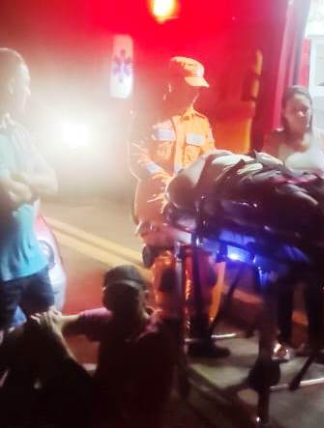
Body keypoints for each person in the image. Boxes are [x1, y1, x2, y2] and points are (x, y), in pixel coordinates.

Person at [129, 56, 227, 358]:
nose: (194, 92)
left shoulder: (201, 123)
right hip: (157, 209)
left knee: (203, 271)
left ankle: (200, 335)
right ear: (171, 83)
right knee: (168, 274)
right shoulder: (148, 118)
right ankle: (167, 338)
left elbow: (209, 162)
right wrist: (166, 180)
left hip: (191, 213)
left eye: (198, 87)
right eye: (188, 86)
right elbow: (136, 158)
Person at [13, 265, 175, 428]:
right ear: (106, 299)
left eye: (129, 293)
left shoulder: (152, 339)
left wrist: (55, 339)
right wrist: (47, 322)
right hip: (104, 403)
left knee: (59, 362)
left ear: (145, 297)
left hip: (123, 416)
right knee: (38, 337)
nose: (121, 300)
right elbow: (59, 323)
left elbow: (106, 398)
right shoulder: (113, 318)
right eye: (114, 294)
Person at [263, 86, 324, 359]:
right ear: (284, 113)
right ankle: (282, 338)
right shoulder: (275, 140)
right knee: (285, 275)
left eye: (305, 109)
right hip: (287, 222)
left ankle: (316, 340)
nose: (301, 114)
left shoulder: (322, 138)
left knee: (314, 278)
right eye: (295, 109)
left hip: (319, 220)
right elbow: (265, 175)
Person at [0, 48, 58, 332]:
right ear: (11, 85)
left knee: (50, 335)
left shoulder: (18, 132)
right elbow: (7, 197)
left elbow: (53, 181)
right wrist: (33, 185)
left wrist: (23, 181)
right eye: (26, 84)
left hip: (33, 262)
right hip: (3, 272)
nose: (28, 92)